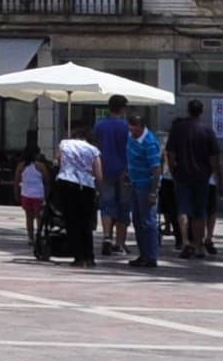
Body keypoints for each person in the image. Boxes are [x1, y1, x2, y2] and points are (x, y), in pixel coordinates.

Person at [167, 102, 223, 257]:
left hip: (182, 174)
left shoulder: (178, 128)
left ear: (188, 110)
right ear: (202, 111)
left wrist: (173, 171)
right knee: (199, 211)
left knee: (183, 209)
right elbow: (214, 158)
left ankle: (185, 241)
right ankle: (198, 245)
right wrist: (214, 175)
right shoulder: (207, 130)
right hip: (201, 176)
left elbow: (170, 154)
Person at [91, 101, 141, 267]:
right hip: (125, 171)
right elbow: (133, 148)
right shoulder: (127, 127)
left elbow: (94, 146)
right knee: (124, 207)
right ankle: (120, 243)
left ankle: (106, 237)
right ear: (123, 108)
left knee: (106, 205)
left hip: (105, 169)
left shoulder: (99, 126)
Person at [50, 122, 102, 265]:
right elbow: (98, 173)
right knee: (86, 222)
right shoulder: (93, 150)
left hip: (66, 182)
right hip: (86, 186)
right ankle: (89, 256)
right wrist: (98, 190)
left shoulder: (65, 144)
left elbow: (57, 161)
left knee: (71, 221)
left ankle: (78, 256)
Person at [125, 105, 169, 268]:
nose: (133, 133)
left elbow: (156, 169)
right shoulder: (130, 138)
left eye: (135, 130)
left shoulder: (149, 142)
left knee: (148, 222)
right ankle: (143, 253)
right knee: (137, 220)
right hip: (135, 183)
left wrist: (153, 192)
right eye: (130, 129)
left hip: (146, 185)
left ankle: (150, 255)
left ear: (142, 127)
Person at [15, 144, 51, 260]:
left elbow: (16, 181)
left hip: (26, 194)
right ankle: (39, 236)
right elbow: (47, 181)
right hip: (38, 195)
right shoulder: (40, 166)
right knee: (39, 217)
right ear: (37, 154)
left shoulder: (21, 166)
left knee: (29, 217)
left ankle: (30, 238)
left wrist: (16, 193)